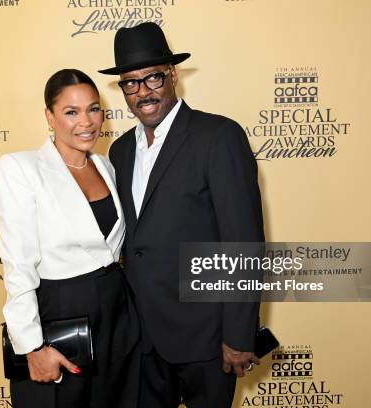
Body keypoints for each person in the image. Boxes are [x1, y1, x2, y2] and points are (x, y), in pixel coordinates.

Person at [99, 23, 265, 408]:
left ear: (172, 74)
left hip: (206, 338)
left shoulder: (218, 136)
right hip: (141, 339)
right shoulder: (120, 151)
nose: (143, 92)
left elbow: (243, 242)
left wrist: (239, 336)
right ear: (121, 89)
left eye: (152, 78)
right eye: (131, 83)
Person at [0, 69, 139, 408]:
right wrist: (31, 346)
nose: (86, 122)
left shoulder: (107, 165)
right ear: (50, 116)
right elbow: (18, 263)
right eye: (71, 112)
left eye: (93, 109)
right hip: (60, 310)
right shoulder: (20, 168)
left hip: (117, 311)